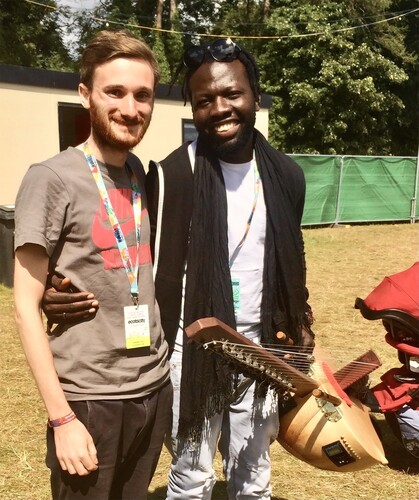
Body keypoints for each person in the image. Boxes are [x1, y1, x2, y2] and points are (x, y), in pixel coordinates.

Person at [43, 37, 315, 499]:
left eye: (233, 94)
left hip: (260, 349)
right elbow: (122, 245)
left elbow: (293, 261)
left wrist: (301, 323)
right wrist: (52, 283)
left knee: (254, 474)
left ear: (254, 94)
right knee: (191, 476)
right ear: (193, 106)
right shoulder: (171, 174)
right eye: (205, 99)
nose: (221, 108)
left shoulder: (286, 174)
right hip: (191, 351)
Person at [14, 30, 172, 500]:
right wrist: (62, 418)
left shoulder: (140, 173)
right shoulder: (51, 178)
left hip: (152, 385)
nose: (130, 108)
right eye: (115, 92)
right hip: (90, 397)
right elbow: (25, 308)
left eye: (142, 95)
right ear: (86, 95)